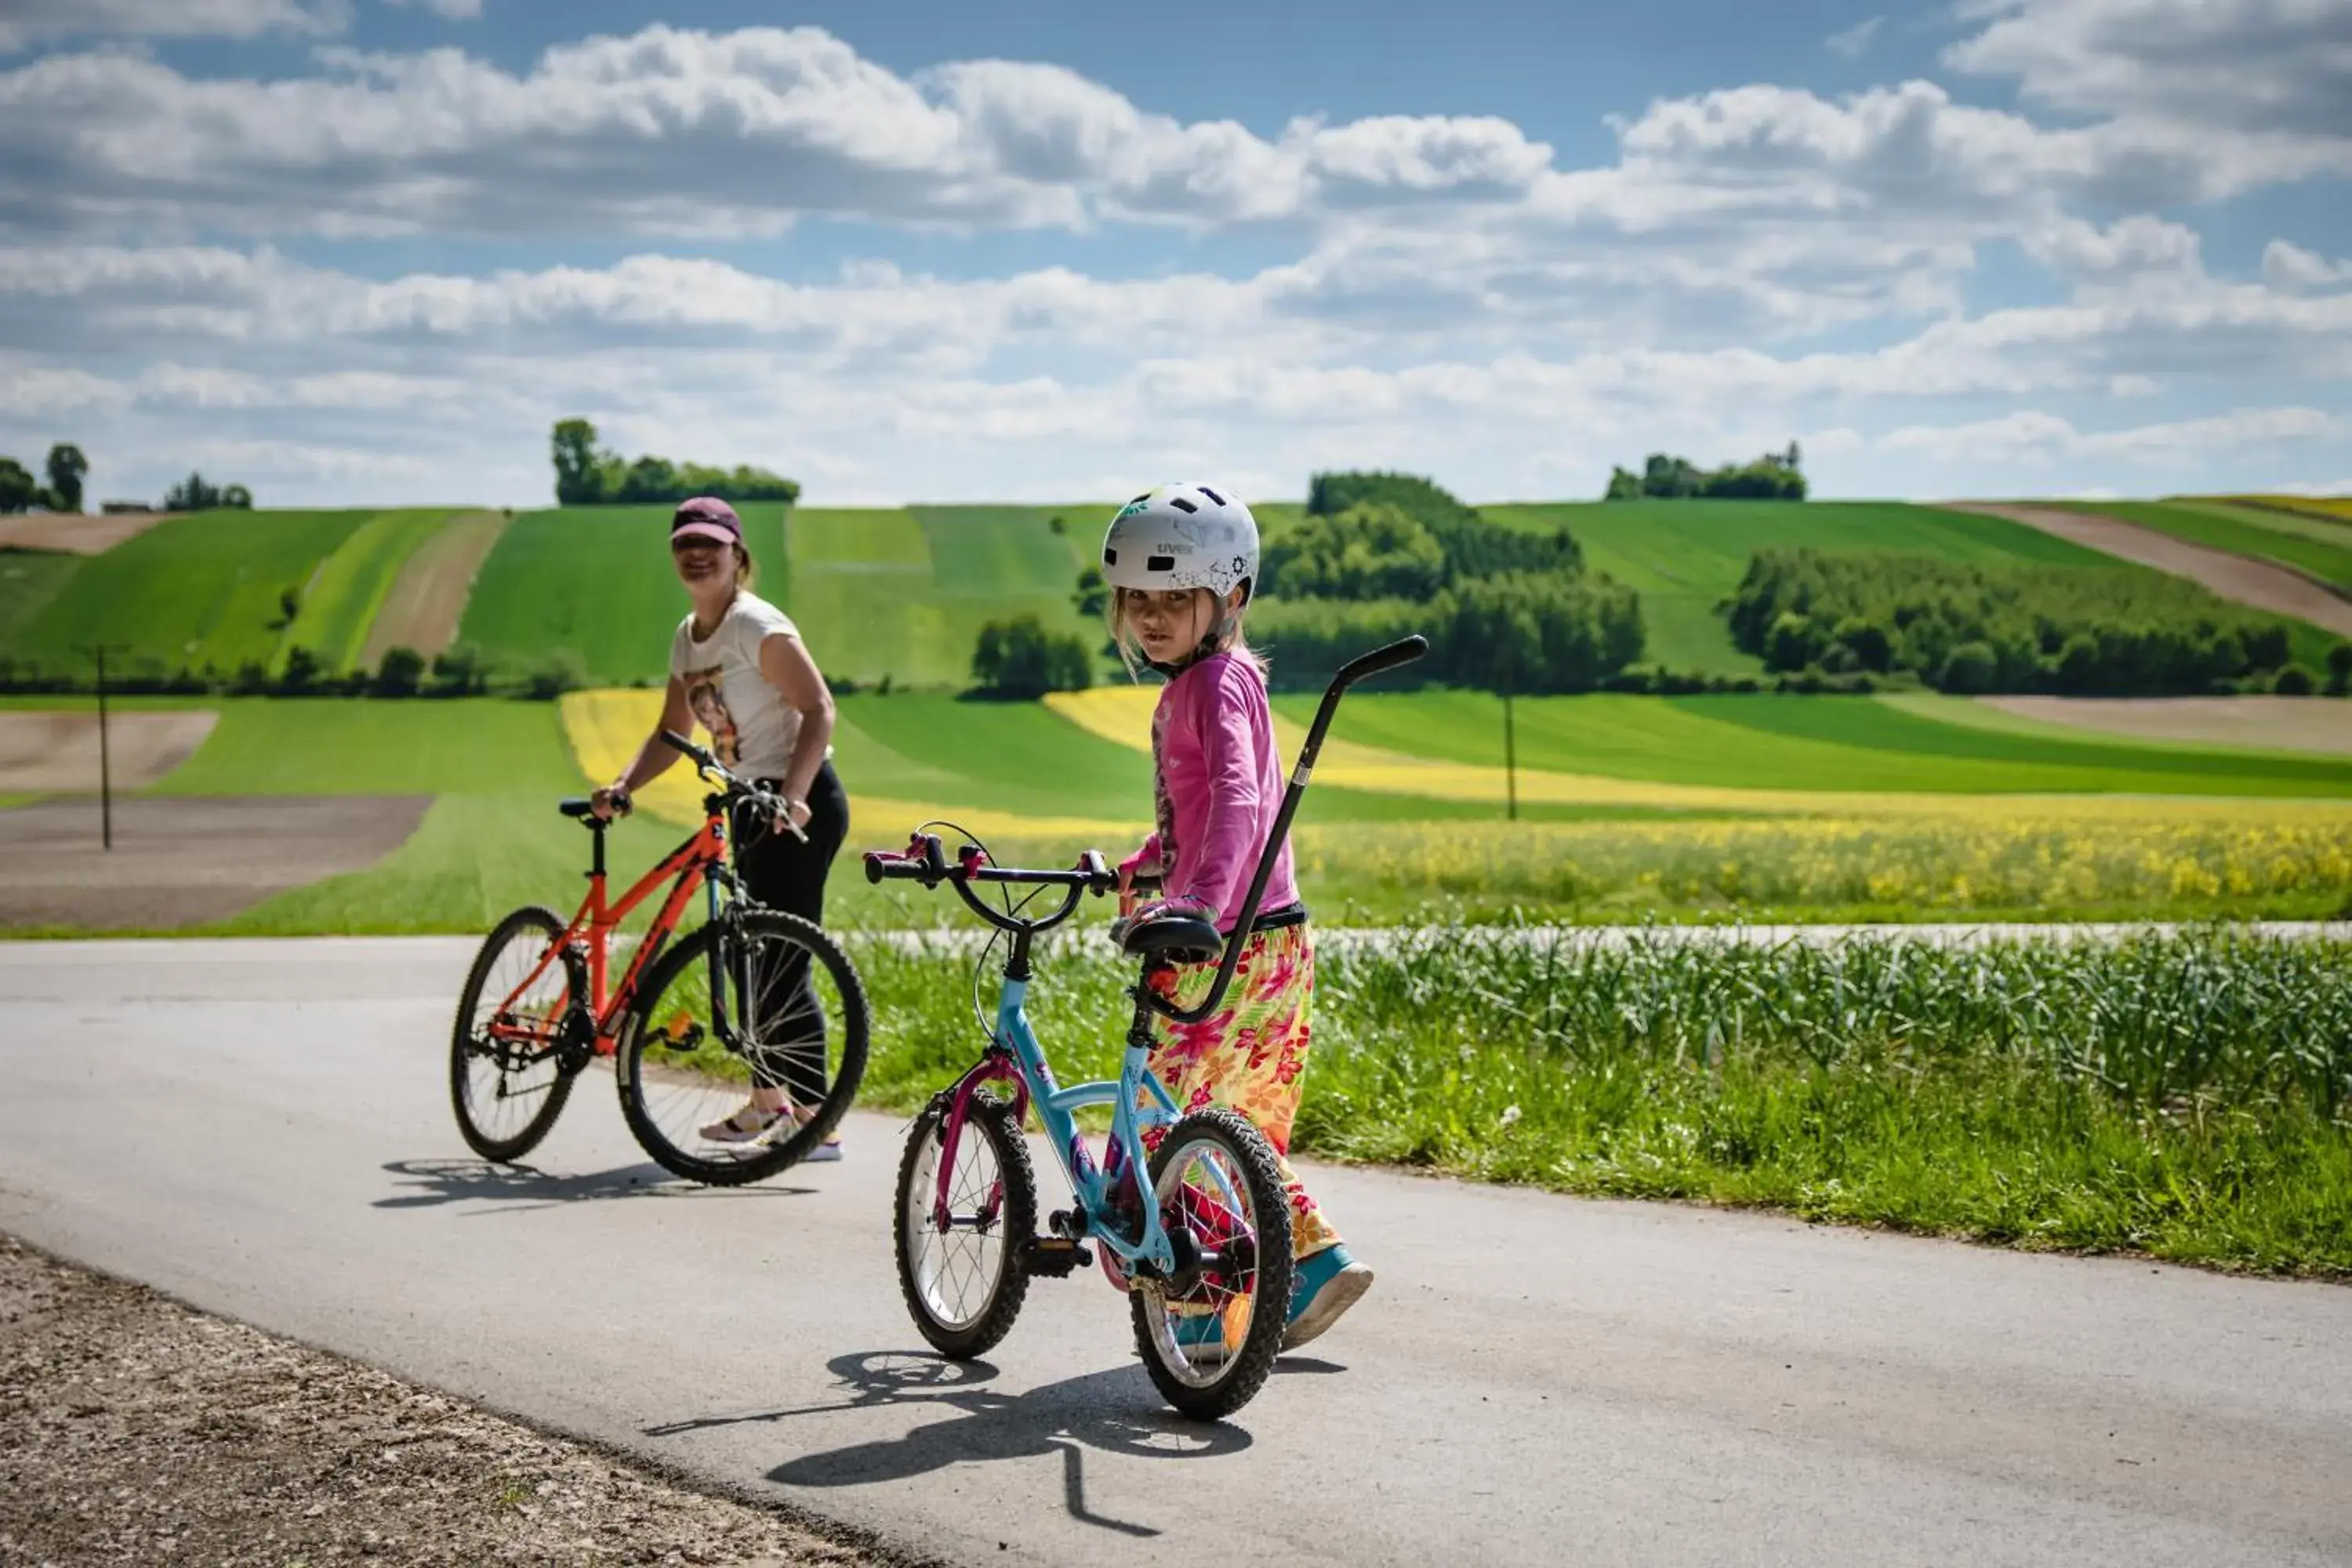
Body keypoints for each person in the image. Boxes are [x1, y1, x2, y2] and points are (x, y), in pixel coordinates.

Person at [1098, 482, 1371, 1352]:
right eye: (1137, 599)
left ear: (1232, 596)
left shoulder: (1213, 683)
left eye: (1175, 598)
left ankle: (1235, 1294)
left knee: (1170, 1116)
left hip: (1230, 936)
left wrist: (1197, 906)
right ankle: (1297, 1272)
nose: (1151, 616)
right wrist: (1143, 866)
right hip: (1271, 932)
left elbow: (1238, 800)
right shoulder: (1209, 683)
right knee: (1224, 1118)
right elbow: (1200, 815)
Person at [591, 496, 849, 1157]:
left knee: (783, 959)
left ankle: (815, 1118)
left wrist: (794, 797)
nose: (697, 554)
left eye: (711, 543)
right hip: (749, 800)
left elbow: (819, 709)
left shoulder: (754, 626)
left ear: (739, 555)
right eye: (685, 544)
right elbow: (673, 733)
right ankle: (770, 1102)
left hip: (797, 801)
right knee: (746, 952)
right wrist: (623, 786)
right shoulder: (689, 637)